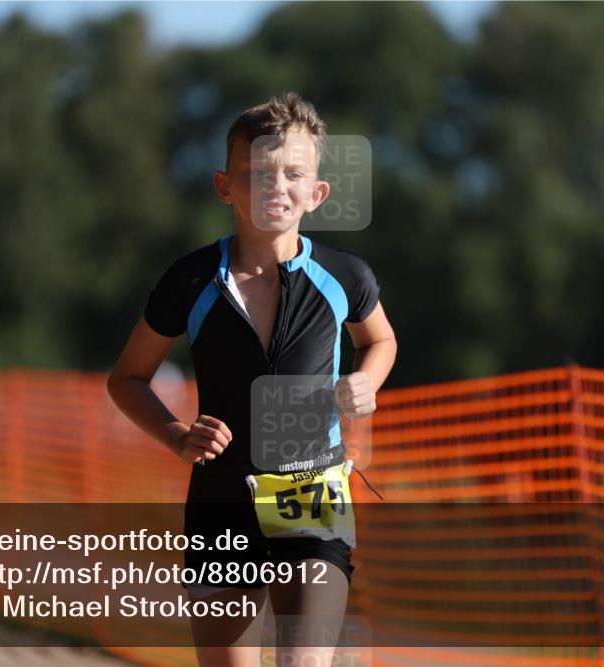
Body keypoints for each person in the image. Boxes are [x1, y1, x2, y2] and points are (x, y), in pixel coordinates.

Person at [107, 92, 397, 667]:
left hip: (311, 494)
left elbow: (381, 341)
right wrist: (174, 434)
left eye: (294, 173)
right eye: (258, 172)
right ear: (225, 187)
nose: (276, 186)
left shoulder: (345, 276)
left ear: (317, 194)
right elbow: (128, 379)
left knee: (303, 662)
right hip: (221, 503)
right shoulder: (190, 282)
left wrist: (368, 380)